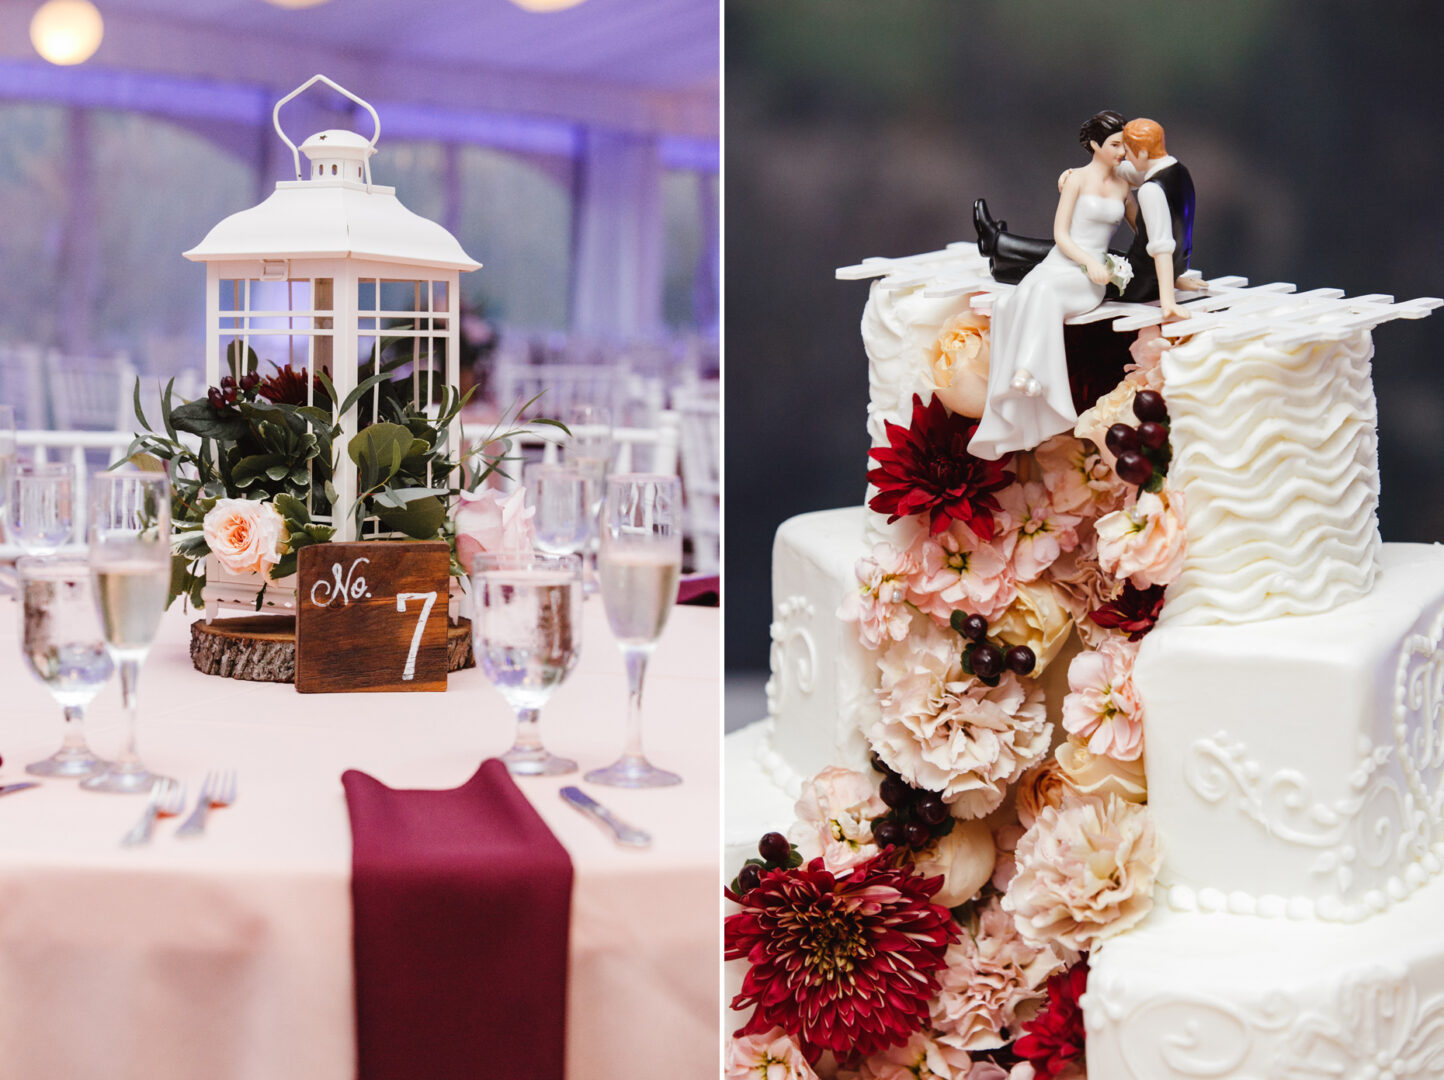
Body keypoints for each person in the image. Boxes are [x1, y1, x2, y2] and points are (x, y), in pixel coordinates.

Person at [967, 111, 1130, 461]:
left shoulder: (1124, 185)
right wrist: (1085, 260)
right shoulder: (1075, 180)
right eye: (1116, 145)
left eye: (1125, 145)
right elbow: (1060, 235)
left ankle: (1026, 372)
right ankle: (1025, 381)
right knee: (1018, 298)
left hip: (1091, 278)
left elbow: (1147, 229)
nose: (1122, 152)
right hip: (1064, 262)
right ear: (1096, 145)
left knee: (1042, 294)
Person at [974, 116, 1199, 321]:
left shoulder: (1150, 189)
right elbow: (1115, 172)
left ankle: (998, 245)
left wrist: (1168, 298)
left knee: (1074, 259)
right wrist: (1075, 175)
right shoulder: (1180, 173)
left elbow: (1160, 247)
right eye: (1117, 146)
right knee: (1069, 253)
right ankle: (999, 254)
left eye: (1127, 150)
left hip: (1137, 282)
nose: (1123, 156)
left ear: (1141, 154)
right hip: (1146, 272)